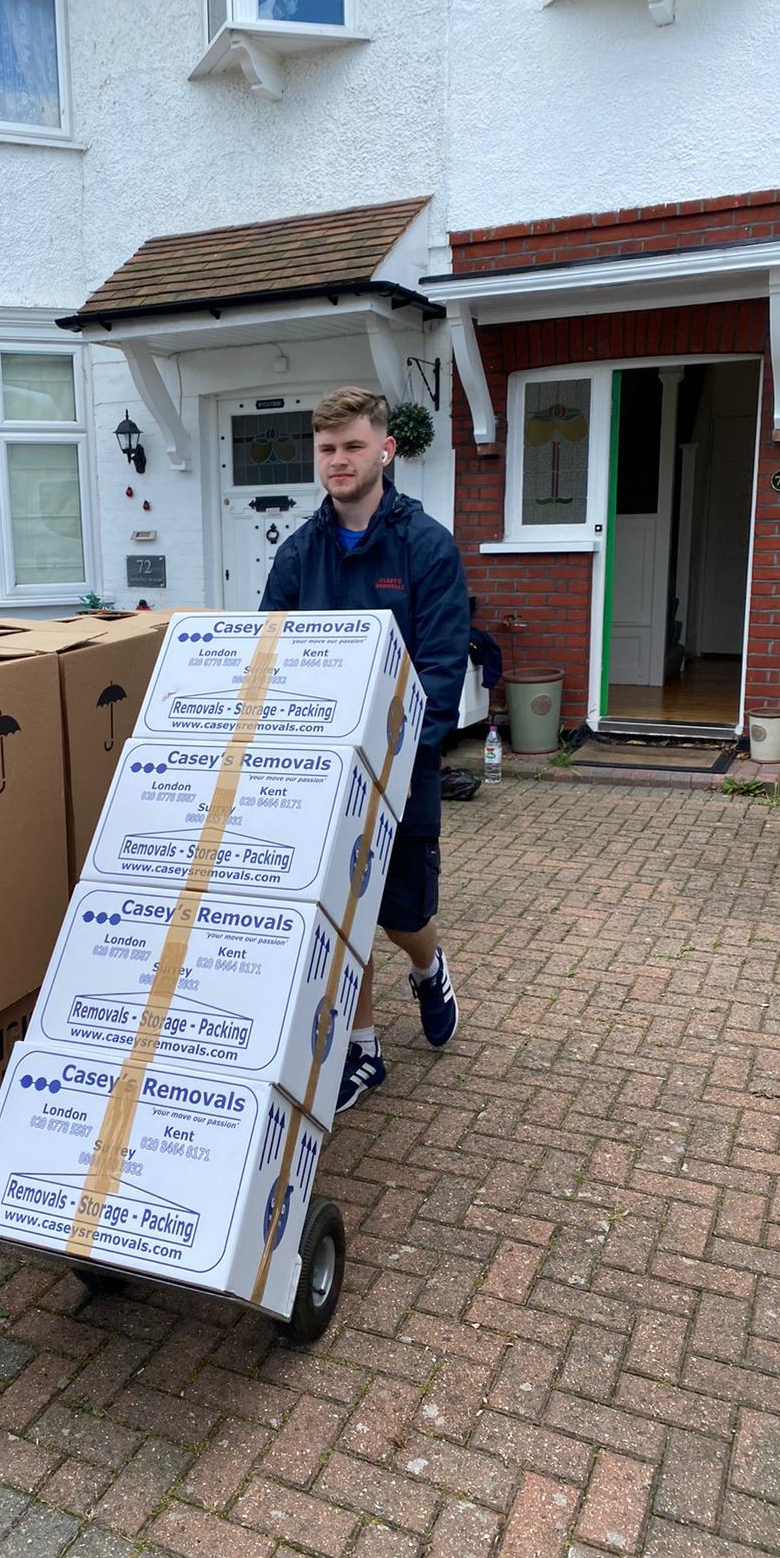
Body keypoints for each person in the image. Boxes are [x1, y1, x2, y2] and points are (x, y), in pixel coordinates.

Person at [260, 387, 470, 1111]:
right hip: (318, 771)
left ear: (385, 449)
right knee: (339, 916)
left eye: (352, 445)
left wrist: (409, 763)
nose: (339, 460)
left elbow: (442, 668)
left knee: (400, 913)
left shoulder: (425, 547)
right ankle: (363, 1050)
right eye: (327, 448)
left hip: (402, 770)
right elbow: (269, 657)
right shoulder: (298, 555)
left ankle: (429, 963)